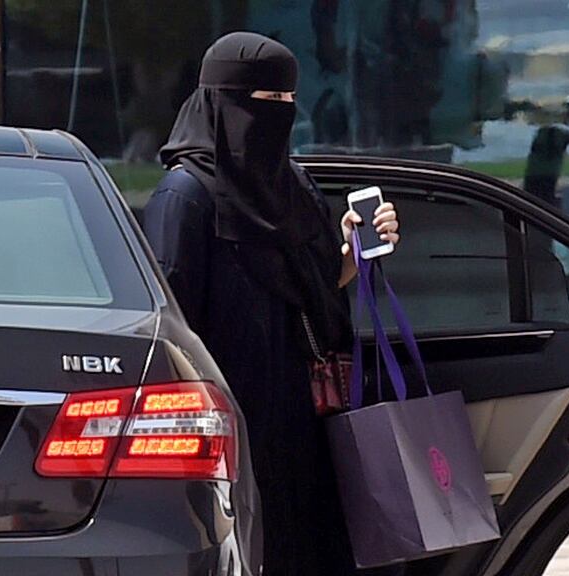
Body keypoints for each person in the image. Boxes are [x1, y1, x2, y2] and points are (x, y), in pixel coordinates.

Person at [142, 32, 401, 575]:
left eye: (288, 102)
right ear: (221, 103)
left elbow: (317, 292)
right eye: (265, 102)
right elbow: (168, 329)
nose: (279, 114)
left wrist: (353, 253)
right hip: (236, 428)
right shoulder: (185, 198)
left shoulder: (294, 186)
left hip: (311, 423)